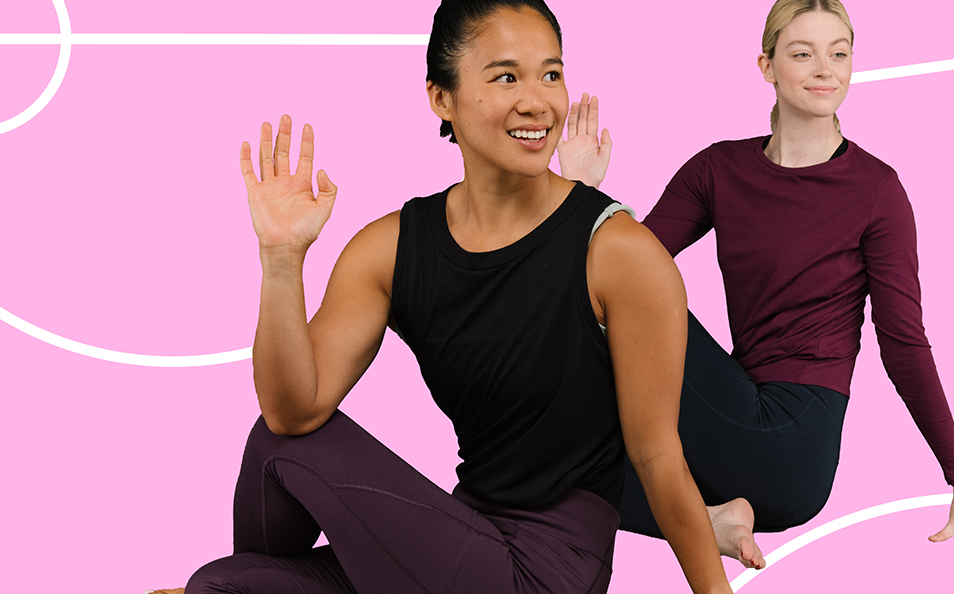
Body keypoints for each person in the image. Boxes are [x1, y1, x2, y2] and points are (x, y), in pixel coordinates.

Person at [163, 1, 738, 593]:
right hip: (466, 540)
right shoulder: (392, 250)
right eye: (506, 76)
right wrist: (282, 259)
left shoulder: (619, 253)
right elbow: (291, 413)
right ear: (442, 98)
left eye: (551, 73)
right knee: (220, 582)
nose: (537, 101)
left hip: (547, 571)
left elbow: (658, 459)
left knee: (276, 461)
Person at [558, 0, 954, 565]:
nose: (825, 70)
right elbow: (619, 268)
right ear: (767, 66)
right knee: (552, 465)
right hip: (726, 428)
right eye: (803, 54)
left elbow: (904, 344)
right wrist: (581, 193)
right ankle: (710, 521)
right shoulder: (717, 170)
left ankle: (705, 513)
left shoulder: (876, 191)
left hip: (793, 446)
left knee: (626, 299)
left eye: (839, 54)